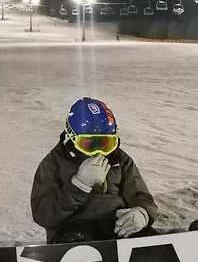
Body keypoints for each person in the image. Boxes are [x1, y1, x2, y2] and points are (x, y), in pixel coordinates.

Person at [31, 97, 158, 245]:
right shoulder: (54, 163)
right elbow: (43, 214)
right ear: (72, 137)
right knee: (77, 244)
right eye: (89, 143)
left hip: (116, 224)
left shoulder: (120, 160)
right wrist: (78, 185)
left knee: (147, 240)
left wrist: (142, 213)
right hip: (73, 226)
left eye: (106, 143)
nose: (99, 151)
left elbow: (141, 196)